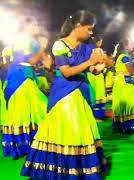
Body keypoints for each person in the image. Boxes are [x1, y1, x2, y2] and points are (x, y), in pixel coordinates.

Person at [21, 10, 111, 179]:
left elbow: (92, 70)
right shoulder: (59, 45)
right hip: (64, 95)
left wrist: (99, 67)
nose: (91, 33)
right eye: (89, 29)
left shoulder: (89, 47)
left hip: (81, 93)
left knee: (81, 132)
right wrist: (90, 63)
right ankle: (60, 169)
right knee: (66, 131)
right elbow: (67, 72)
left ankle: (79, 169)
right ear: (77, 26)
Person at [2, 18, 50, 159]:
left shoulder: (24, 41)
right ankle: (44, 140)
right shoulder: (27, 41)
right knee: (37, 108)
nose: (37, 27)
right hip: (21, 79)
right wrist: (42, 48)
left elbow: (45, 64)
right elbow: (31, 61)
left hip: (22, 77)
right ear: (27, 26)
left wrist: (44, 55)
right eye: (35, 25)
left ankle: (24, 145)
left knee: (24, 111)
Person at [112, 38, 134, 133]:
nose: (132, 46)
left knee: (125, 103)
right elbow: (131, 72)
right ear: (126, 46)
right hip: (124, 83)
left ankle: (122, 126)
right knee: (129, 103)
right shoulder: (124, 57)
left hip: (122, 82)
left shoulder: (123, 56)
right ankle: (129, 126)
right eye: (131, 44)